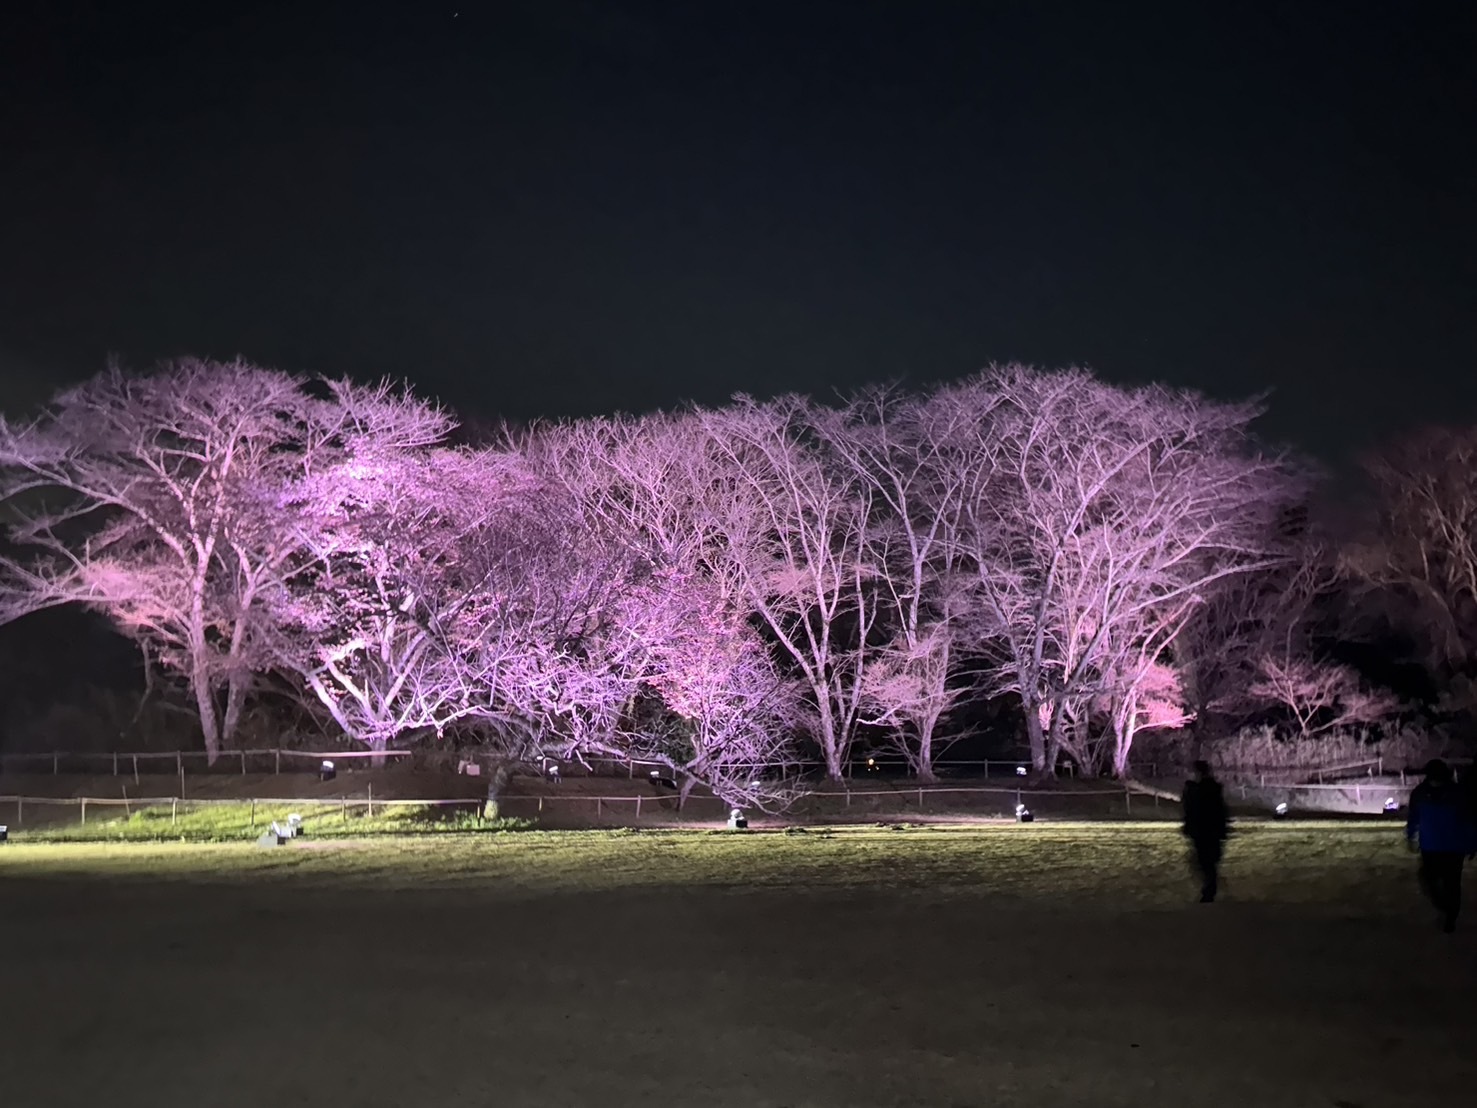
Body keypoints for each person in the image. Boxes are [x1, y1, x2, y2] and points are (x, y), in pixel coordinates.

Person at [1404, 759, 1477, 933]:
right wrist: (1472, 843)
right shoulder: (1458, 793)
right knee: (1450, 883)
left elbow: (1414, 818)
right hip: (1450, 847)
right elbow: (1468, 821)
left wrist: (1410, 837)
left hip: (1434, 847)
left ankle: (1447, 912)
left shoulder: (1420, 793)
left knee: (1434, 881)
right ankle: (1450, 914)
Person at [1181, 760, 1230, 903]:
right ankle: (1210, 887)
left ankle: (1210, 889)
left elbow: (1194, 809)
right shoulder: (1210, 788)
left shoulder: (1201, 789)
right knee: (1206, 861)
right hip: (1209, 829)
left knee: (1204, 861)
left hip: (1204, 829)